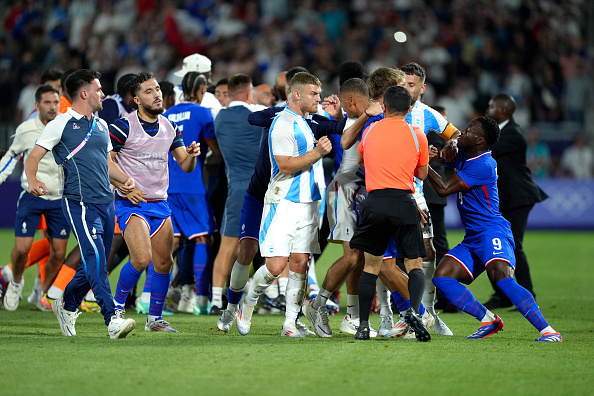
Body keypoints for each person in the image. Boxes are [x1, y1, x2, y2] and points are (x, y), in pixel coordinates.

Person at [216, 68, 351, 334]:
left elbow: (339, 128)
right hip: (266, 195)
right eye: (314, 93)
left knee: (300, 262)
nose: (319, 98)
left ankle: (291, 321)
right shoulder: (279, 119)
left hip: (305, 200)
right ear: (294, 92)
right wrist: (276, 112)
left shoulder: (310, 121)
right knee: (250, 252)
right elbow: (255, 119)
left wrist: (337, 116)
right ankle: (234, 306)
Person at [427, 116, 562, 342]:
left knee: (502, 278)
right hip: (473, 237)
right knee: (442, 277)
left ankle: (548, 330)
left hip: (492, 231)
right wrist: (439, 151)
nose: (463, 131)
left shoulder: (483, 164)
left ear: (479, 140)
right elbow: (443, 156)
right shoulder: (467, 154)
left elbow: (443, 188)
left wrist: (423, 163)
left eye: (468, 131)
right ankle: (488, 319)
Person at [24, 68, 136, 338]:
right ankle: (112, 320)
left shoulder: (101, 125)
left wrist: (128, 182)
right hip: (80, 204)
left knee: (96, 265)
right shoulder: (59, 124)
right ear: (84, 93)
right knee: (96, 260)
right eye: (99, 89)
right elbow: (33, 158)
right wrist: (32, 180)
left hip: (106, 203)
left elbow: (108, 165)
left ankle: (67, 304)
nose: (103, 94)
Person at [109, 72, 201, 332]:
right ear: (136, 99)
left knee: (164, 263)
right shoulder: (122, 126)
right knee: (141, 259)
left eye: (158, 89)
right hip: (132, 203)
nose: (157, 94)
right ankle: (115, 313)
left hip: (160, 204)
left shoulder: (170, 127)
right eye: (149, 91)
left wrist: (192, 155)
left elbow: (185, 165)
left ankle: (154, 320)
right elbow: (105, 163)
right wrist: (124, 187)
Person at [348, 86, 431, 342]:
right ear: (409, 109)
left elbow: (362, 160)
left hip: (376, 202)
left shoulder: (371, 130)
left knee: (371, 266)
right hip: (404, 202)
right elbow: (423, 174)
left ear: (384, 108)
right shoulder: (417, 134)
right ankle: (415, 313)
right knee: (414, 264)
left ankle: (362, 326)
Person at [304, 77, 384, 338]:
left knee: (359, 257)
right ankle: (316, 306)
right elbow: (347, 140)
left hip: (361, 193)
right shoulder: (356, 119)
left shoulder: (366, 117)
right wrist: (362, 116)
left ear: (351, 100)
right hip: (345, 190)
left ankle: (352, 315)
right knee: (352, 256)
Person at [1, 84, 70, 311]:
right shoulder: (26, 129)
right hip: (31, 196)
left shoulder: (67, 126)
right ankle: (16, 282)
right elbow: (12, 155)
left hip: (59, 199)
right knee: (22, 250)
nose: (53, 107)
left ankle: (43, 293)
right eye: (47, 102)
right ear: (37, 105)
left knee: (58, 253)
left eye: (55, 102)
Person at [163, 72, 220, 315]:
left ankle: (152, 294)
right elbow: (215, 149)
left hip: (167, 184)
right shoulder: (202, 113)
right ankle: (201, 299)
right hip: (192, 184)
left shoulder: (166, 114)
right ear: (200, 90)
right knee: (202, 237)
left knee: (172, 241)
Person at [484, 93, 548, 309]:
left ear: (504, 111)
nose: (488, 108)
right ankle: (503, 295)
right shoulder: (502, 132)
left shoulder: (512, 134)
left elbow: (484, 150)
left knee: (513, 246)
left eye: (492, 106)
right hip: (506, 198)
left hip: (518, 197)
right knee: (498, 247)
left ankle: (527, 295)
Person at [211, 73, 265, 315]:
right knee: (275, 246)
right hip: (260, 190)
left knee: (227, 246)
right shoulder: (257, 117)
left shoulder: (219, 119)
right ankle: (279, 294)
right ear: (247, 92)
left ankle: (214, 301)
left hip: (235, 191)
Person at [173, 53, 222, 118]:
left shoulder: (169, 95)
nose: (210, 82)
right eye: (208, 77)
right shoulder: (211, 100)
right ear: (199, 77)